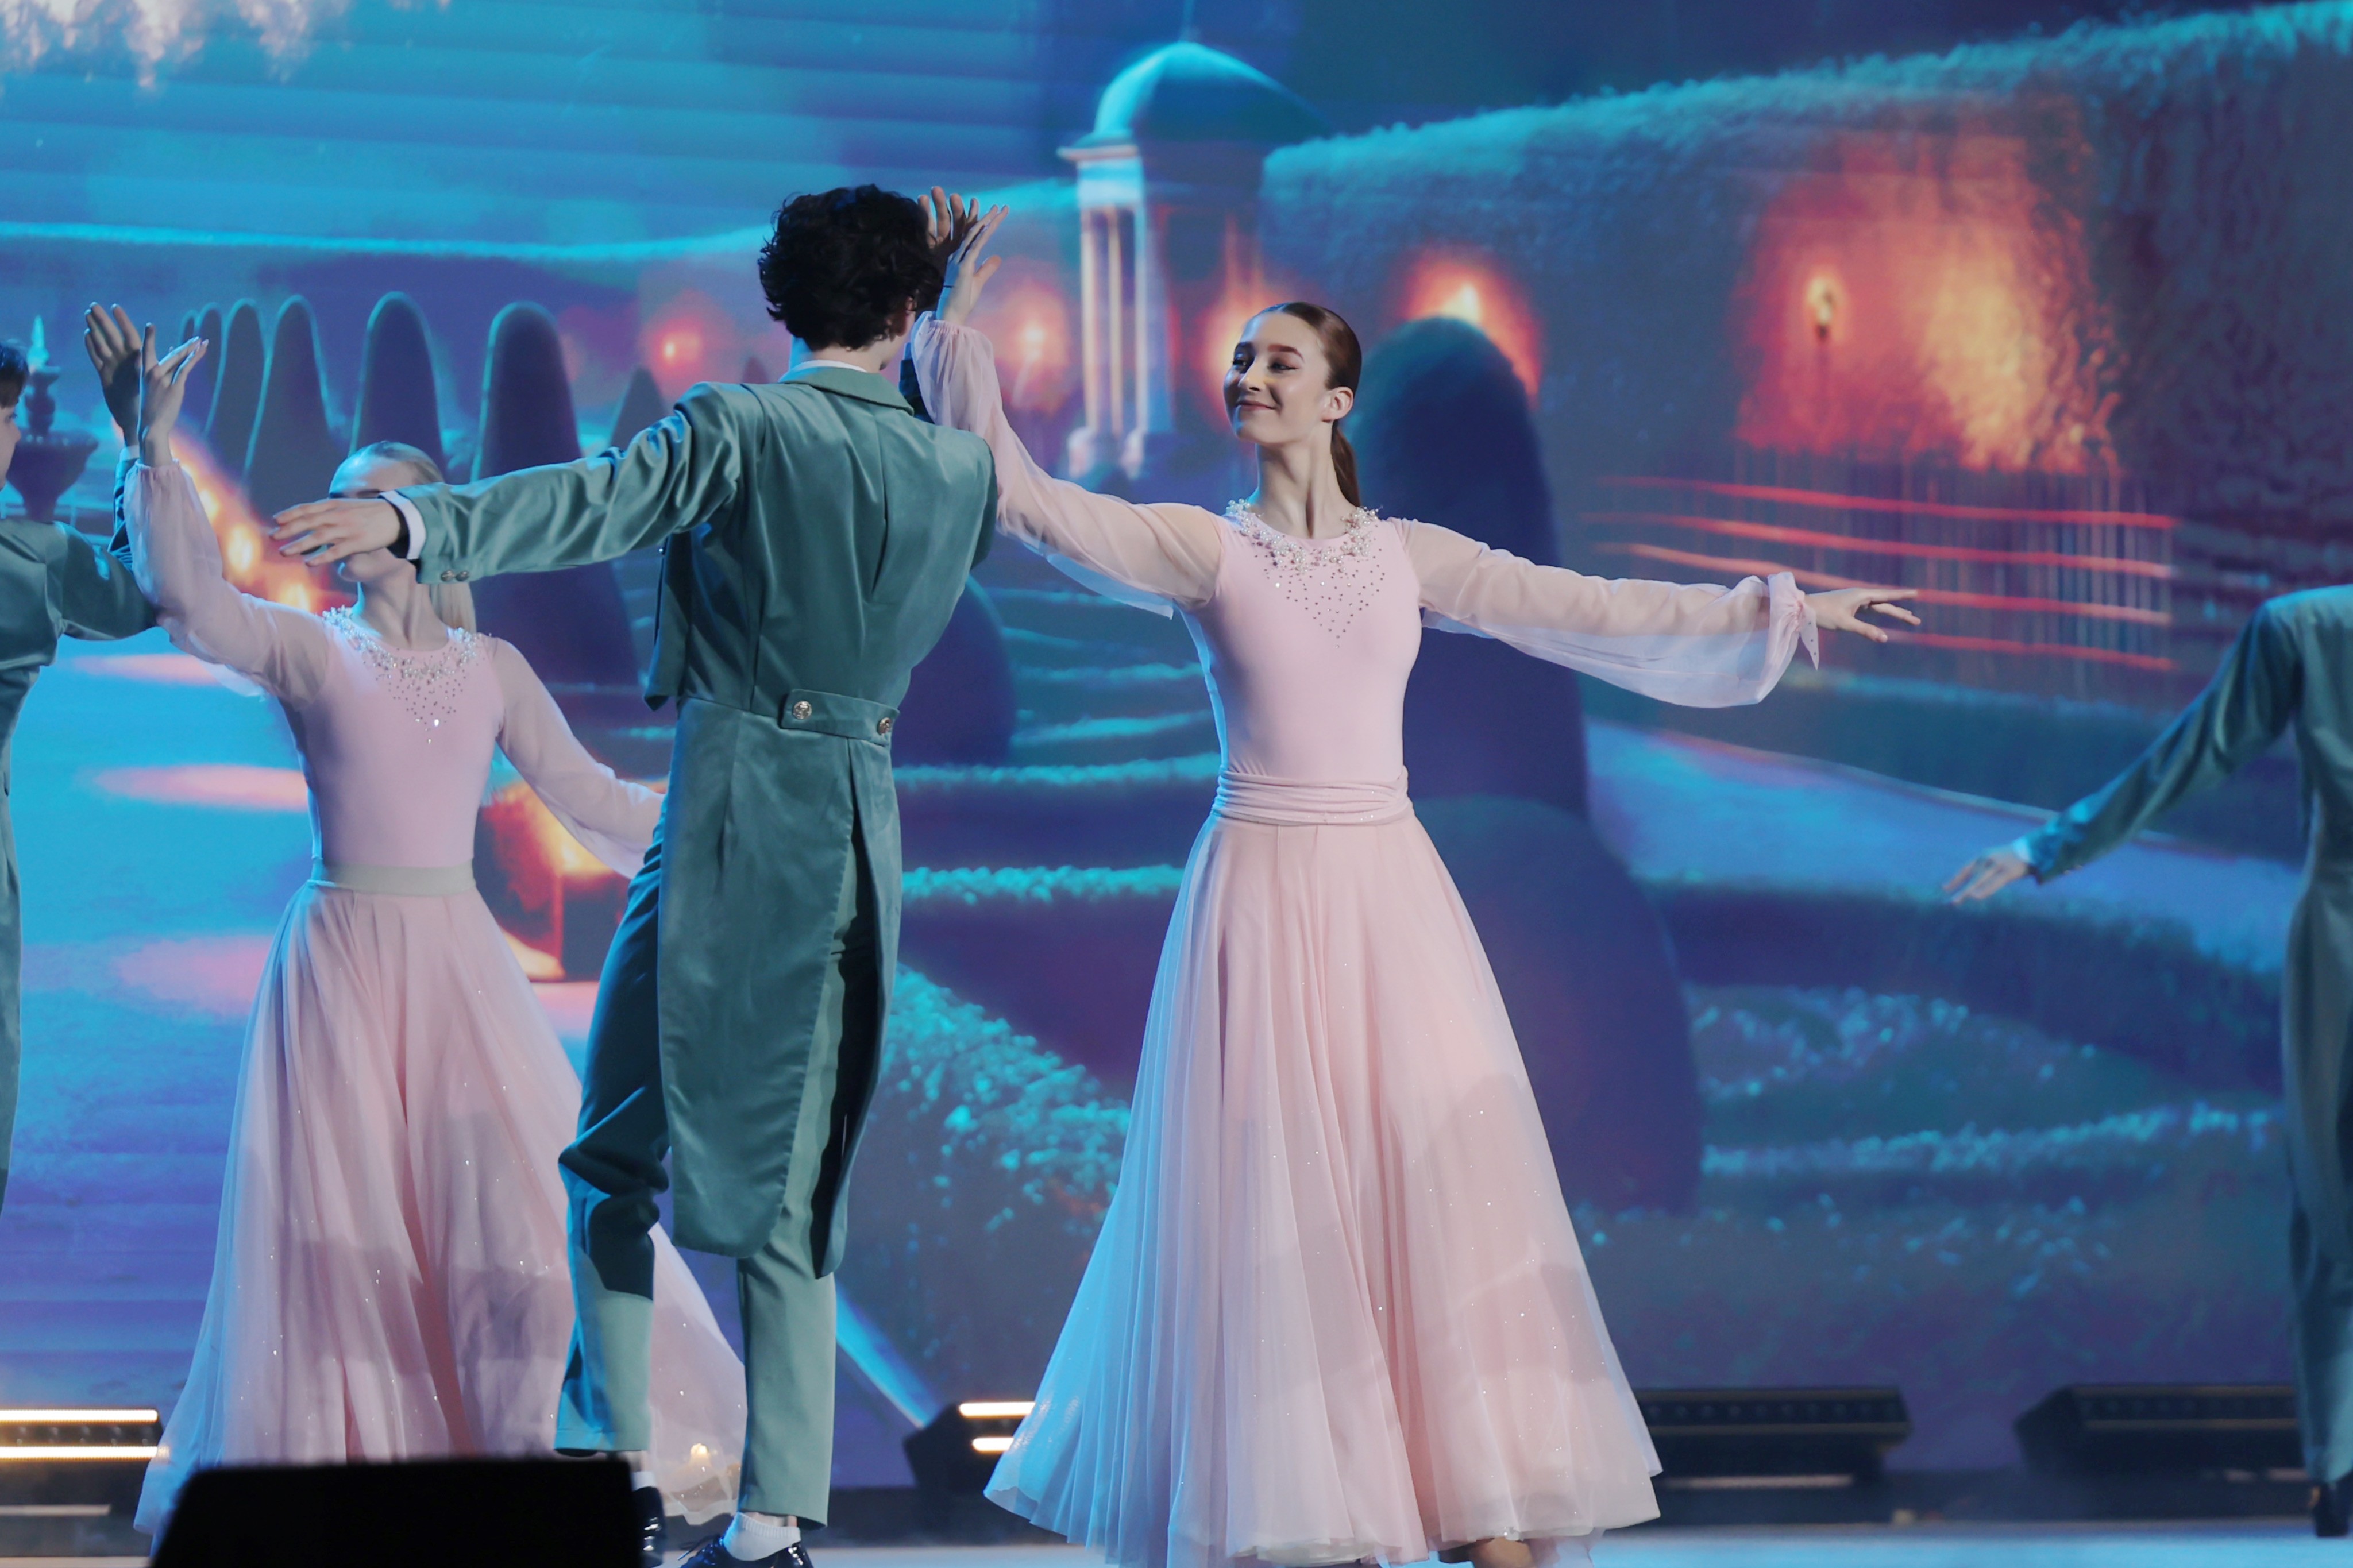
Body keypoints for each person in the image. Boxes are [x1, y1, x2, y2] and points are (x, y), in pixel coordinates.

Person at [909, 212, 1920, 1568]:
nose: (1250, 379)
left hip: (1391, 892)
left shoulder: (1408, 555)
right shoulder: (1202, 550)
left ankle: (1475, 1502)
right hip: (1258, 895)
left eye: (1278, 362)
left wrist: (1775, 609)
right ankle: (1299, 1508)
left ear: (1338, 400)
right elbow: (1028, 500)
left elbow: (1584, 606)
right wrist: (948, 337)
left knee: (1436, 1202)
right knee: (1274, 1211)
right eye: (1241, 362)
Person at [266, 185, 1000, 1568]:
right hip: (855, 823)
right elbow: (890, 452)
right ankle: (759, 1512)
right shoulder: (957, 467)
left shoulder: (741, 426)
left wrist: (420, 526)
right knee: (781, 1181)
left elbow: (593, 503)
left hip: (728, 808)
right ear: (903, 309)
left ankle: (620, 1468)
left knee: (613, 1159)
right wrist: (939, 318)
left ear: (778, 300)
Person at [119, 330, 746, 1544]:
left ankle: (534, 1471)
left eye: (376, 496)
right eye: (341, 494)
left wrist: (730, 821)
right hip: (339, 965)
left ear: (428, 520)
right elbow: (192, 604)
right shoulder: (312, 645)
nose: (349, 513)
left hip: (458, 964)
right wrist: (149, 442)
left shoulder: (491, 666)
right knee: (343, 1230)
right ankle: (348, 1489)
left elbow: (592, 796)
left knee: (507, 1216)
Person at [1945, 593, 2353, 1538]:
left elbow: (2192, 754)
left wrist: (2047, 846)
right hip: (2340, 939)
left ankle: (2339, 1467)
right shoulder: (2307, 631)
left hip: (2340, 943)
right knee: (2331, 1203)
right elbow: (2196, 751)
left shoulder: (2309, 628)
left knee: (2333, 1206)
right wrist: (2047, 846)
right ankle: (2339, 1467)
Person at [0, 326, 156, 1211]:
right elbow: (143, 591)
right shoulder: (27, 565)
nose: (16, 435)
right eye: (7, 419)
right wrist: (140, 436)